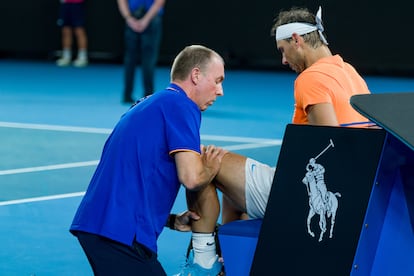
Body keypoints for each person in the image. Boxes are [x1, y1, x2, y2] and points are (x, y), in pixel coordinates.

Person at [176, 6, 371, 275]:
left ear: (297, 39)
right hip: (355, 191)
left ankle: (204, 261)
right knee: (236, 191)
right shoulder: (350, 73)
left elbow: (331, 141)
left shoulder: (310, 77)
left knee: (205, 160)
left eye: (282, 50)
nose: (283, 60)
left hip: (298, 194)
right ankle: (231, 263)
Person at [69, 45, 227, 275]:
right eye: (217, 80)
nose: (220, 91)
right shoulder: (182, 105)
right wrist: (211, 167)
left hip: (102, 226)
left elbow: (133, 176)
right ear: (195, 75)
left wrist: (170, 220)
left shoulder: (150, 103)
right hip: (119, 234)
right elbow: (191, 178)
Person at [117, 0, 165, 103]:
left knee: (134, 59)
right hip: (145, 19)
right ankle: (146, 95)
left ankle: (128, 94)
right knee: (145, 59)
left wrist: (130, 19)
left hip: (144, 19)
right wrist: (130, 19)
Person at [56, 0, 88, 67]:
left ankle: (82, 57)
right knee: (65, 31)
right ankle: (66, 57)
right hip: (65, 4)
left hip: (77, 4)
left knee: (79, 30)